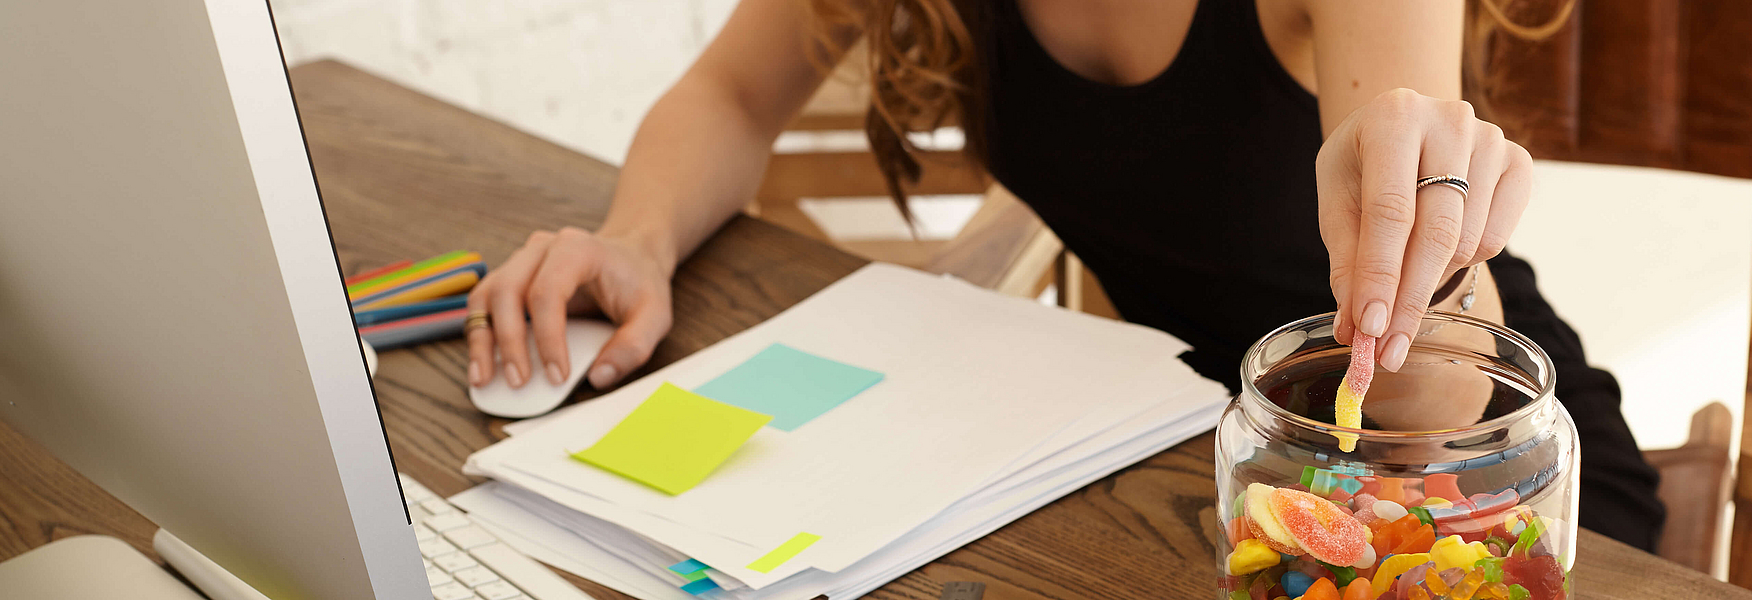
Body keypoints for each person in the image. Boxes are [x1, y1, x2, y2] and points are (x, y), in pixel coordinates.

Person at [457, 0, 1666, 550]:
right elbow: (730, 91)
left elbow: (1439, 410)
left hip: (1464, 489)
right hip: (1183, 458)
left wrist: (1430, 262)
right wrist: (635, 237)